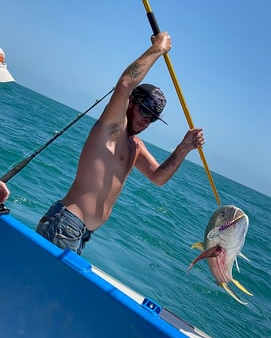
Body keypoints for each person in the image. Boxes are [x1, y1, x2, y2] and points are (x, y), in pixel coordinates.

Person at [36, 31, 204, 255]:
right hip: (66, 223)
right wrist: (158, 49)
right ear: (131, 103)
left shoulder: (135, 146)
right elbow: (125, 84)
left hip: (81, 234)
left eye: (153, 117)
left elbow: (158, 177)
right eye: (144, 110)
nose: (146, 120)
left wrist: (185, 147)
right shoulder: (113, 128)